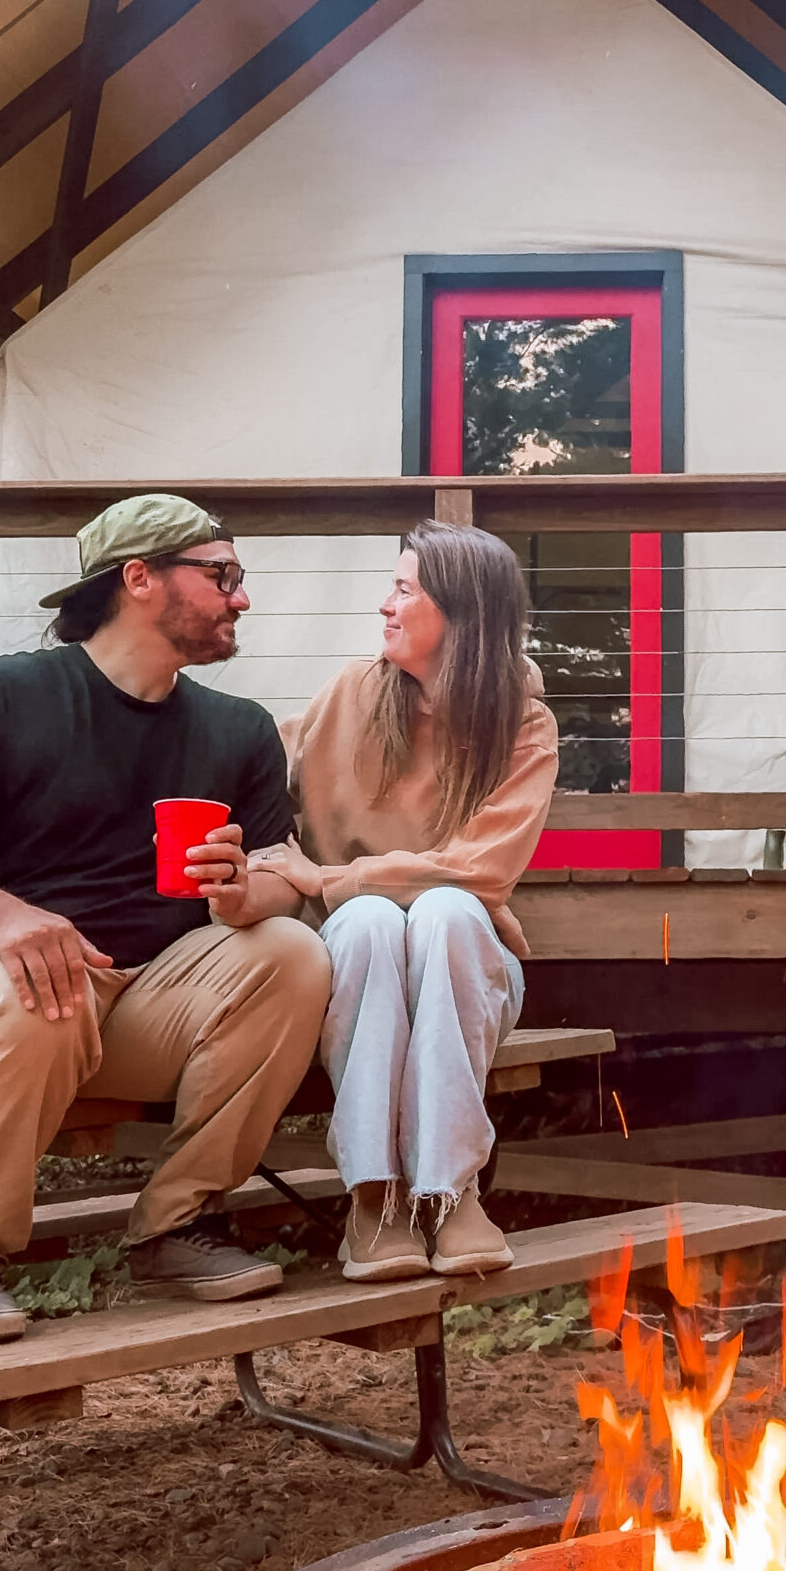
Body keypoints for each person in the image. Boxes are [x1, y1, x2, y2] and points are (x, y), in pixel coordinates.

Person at [0, 495, 332, 1345]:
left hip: (157, 1003)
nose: (240, 597)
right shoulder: (5, 697)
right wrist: (2, 915)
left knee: (291, 950)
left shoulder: (239, 729)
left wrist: (253, 896)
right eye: (222, 575)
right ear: (138, 578)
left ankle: (177, 1227)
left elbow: (280, 871)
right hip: (23, 998)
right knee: (43, 981)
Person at [247, 521, 558, 1285]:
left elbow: (477, 872)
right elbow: (257, 776)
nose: (385, 605)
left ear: (461, 613)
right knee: (373, 920)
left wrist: (326, 879)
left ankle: (452, 1195)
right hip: (355, 957)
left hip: (467, 965)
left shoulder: (522, 724)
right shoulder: (352, 693)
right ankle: (375, 1199)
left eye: (404, 589)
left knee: (448, 912)